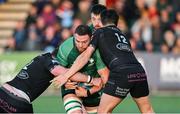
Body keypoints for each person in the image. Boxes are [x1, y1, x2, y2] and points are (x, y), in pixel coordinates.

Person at [52, 9, 154, 113]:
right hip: (139, 71)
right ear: (116, 22)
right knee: (147, 110)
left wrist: (65, 76)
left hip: (122, 72)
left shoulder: (100, 32)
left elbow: (84, 56)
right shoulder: (122, 35)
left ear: (101, 22)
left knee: (103, 112)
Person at [0, 48, 102, 113]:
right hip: (17, 101)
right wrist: (92, 80)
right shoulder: (51, 61)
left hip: (3, 92)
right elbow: (61, 71)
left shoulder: (42, 58)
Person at [56, 25, 109, 114]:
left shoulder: (98, 50)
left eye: (84, 42)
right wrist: (65, 82)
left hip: (95, 90)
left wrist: (88, 92)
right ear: (74, 36)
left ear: (91, 38)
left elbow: (105, 78)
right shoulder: (65, 48)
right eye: (77, 41)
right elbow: (58, 72)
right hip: (72, 89)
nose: (80, 45)